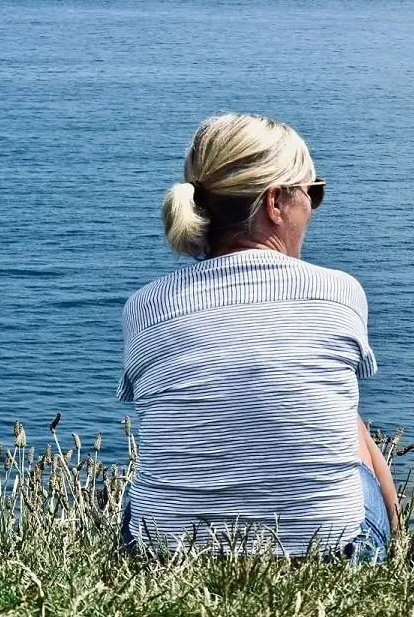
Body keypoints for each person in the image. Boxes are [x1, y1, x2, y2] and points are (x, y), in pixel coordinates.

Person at [119, 114, 398, 558]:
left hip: (161, 552)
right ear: (274, 202)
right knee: (347, 420)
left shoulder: (145, 307)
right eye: (313, 193)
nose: (313, 208)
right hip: (326, 551)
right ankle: (390, 544)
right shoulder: (338, 292)